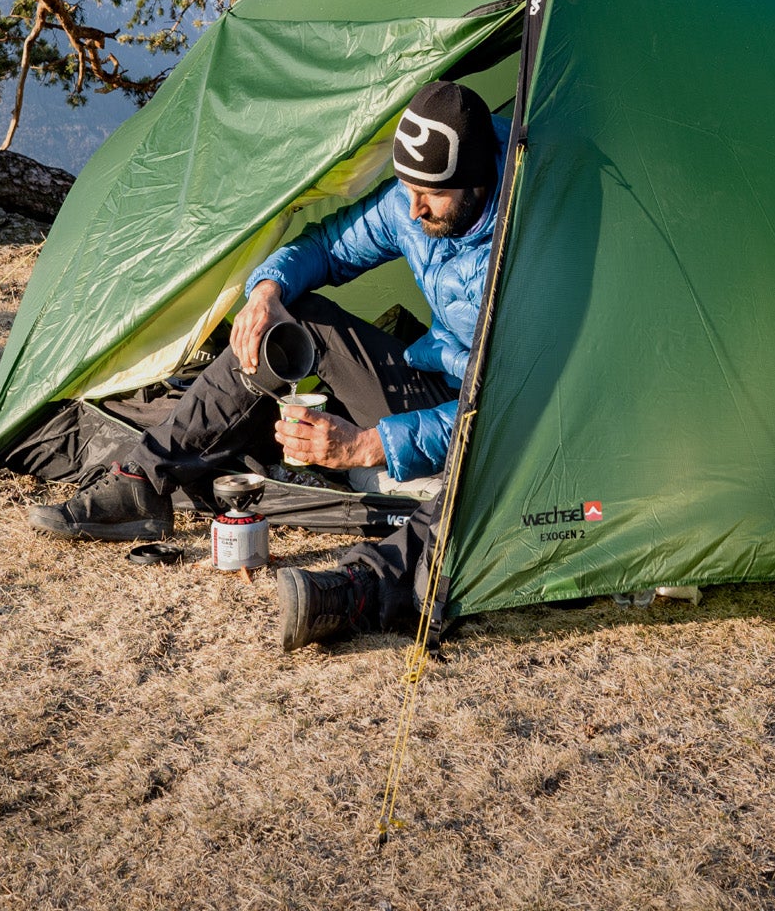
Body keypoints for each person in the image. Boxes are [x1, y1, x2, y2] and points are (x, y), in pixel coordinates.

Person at [29, 80, 506, 646]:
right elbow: (329, 246)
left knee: (488, 482)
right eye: (407, 186)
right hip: (432, 381)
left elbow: (518, 407)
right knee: (288, 317)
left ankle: (354, 589)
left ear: (478, 181)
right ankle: (144, 479)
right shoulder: (415, 206)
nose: (414, 206)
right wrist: (265, 291)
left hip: (497, 415)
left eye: (432, 194)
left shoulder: (529, 245)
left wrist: (367, 445)